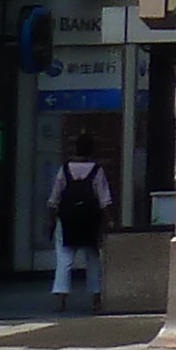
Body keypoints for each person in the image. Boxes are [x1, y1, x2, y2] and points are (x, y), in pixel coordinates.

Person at [48, 130, 116, 315]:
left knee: (64, 260)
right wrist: (109, 222)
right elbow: (105, 199)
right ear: (91, 150)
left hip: (67, 219)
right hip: (89, 220)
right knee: (93, 259)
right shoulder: (97, 170)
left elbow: (54, 198)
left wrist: (51, 220)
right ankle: (96, 299)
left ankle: (61, 300)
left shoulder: (64, 169)